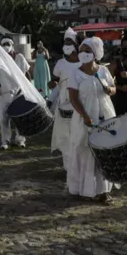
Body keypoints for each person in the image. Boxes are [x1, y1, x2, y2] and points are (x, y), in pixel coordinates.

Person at [67, 36, 118, 205]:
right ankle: (84, 189)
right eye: (81, 50)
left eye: (87, 51)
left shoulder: (103, 71)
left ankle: (103, 191)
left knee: (104, 152)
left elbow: (113, 88)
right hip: (84, 118)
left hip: (105, 115)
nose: (83, 54)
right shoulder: (75, 73)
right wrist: (85, 116)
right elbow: (73, 98)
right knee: (85, 152)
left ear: (95, 54)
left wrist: (109, 89)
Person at [49, 28, 81, 170]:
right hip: (63, 105)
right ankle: (69, 169)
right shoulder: (60, 63)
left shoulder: (83, 63)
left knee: (78, 138)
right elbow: (54, 80)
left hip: (80, 105)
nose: (67, 44)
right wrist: (52, 84)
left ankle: (78, 166)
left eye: (70, 42)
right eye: (65, 42)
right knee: (65, 139)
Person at [0, 37, 31, 148]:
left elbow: (27, 73)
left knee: (20, 116)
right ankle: (5, 140)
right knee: (4, 117)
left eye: (7, 44)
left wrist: (29, 88)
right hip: (4, 91)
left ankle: (20, 139)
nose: (5, 46)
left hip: (19, 91)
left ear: (12, 44)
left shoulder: (20, 57)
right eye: (3, 44)